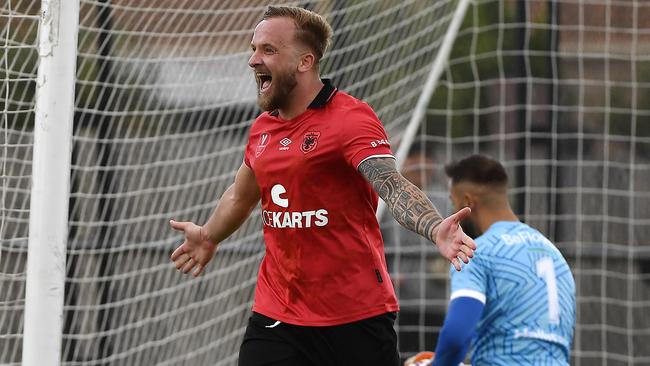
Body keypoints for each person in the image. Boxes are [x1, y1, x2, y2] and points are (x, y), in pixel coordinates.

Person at [168, 6, 476, 366]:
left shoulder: (350, 118)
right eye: (254, 48)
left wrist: (434, 226)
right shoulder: (263, 129)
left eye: (268, 50)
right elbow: (241, 194)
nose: (253, 60)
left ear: (305, 61)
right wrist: (209, 235)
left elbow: (390, 184)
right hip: (277, 314)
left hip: (355, 316)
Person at [407, 155, 576, 366]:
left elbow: (456, 337)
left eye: (453, 203)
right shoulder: (553, 254)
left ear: (467, 203)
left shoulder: (477, 252)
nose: (451, 212)